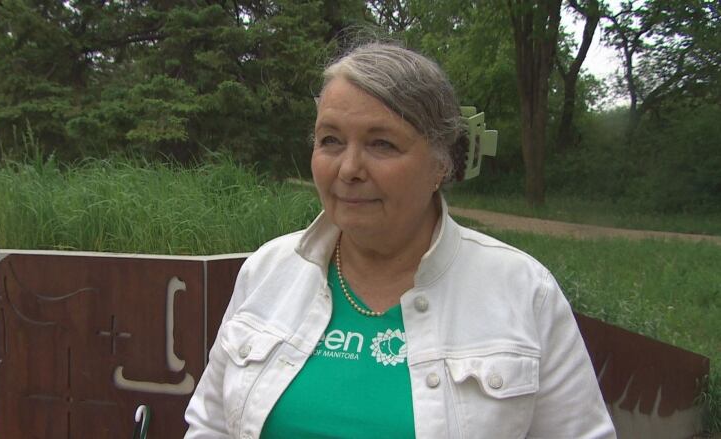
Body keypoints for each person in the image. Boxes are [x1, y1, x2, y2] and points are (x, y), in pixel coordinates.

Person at [184, 42, 615, 439]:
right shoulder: (268, 271)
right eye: (330, 140)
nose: (349, 168)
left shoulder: (523, 291)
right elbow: (210, 425)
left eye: (382, 144)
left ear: (441, 164)